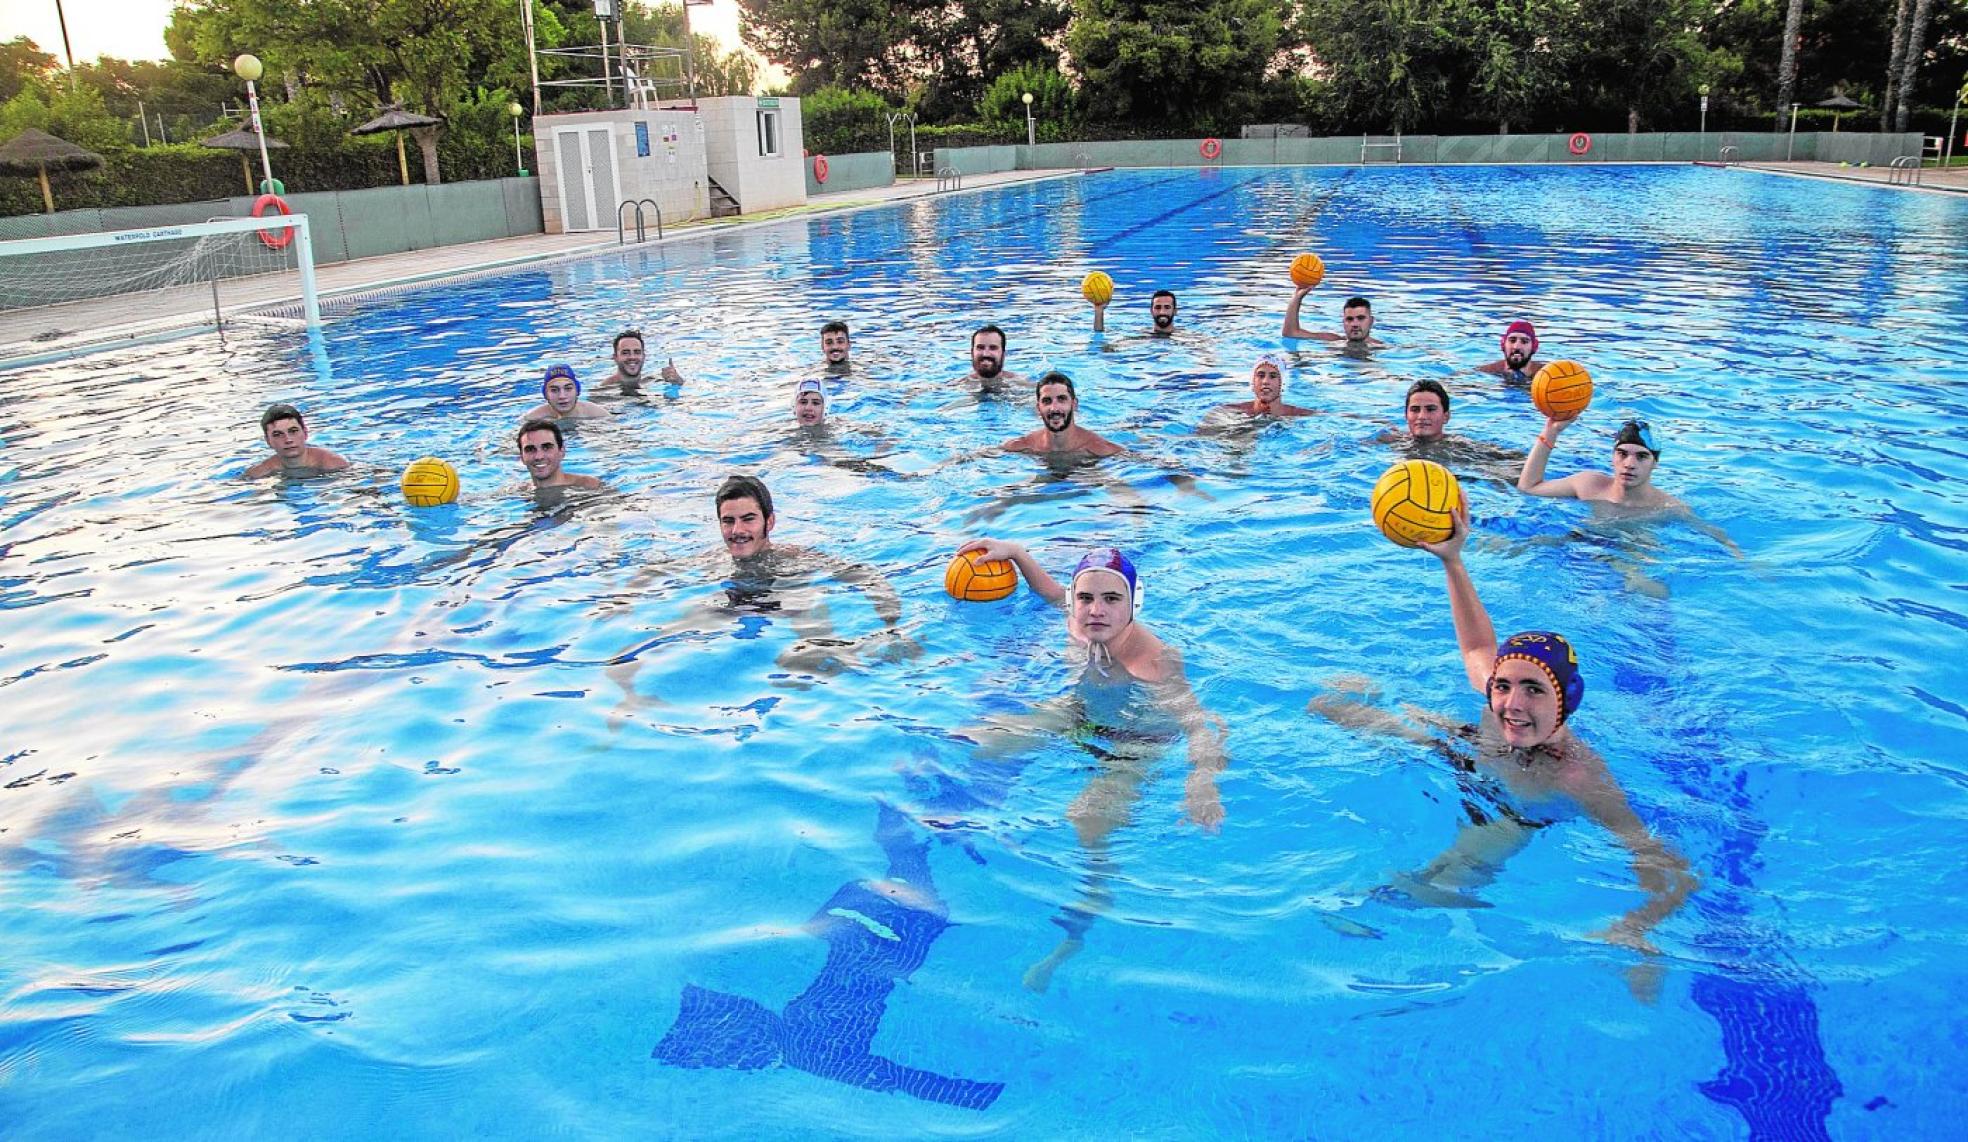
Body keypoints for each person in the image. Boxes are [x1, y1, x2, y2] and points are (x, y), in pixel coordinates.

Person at [1306, 507, 1697, 975]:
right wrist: (1452, 561)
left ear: (1566, 700)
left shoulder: (1577, 775)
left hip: (1516, 811)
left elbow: (1662, 860)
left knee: (1445, 879)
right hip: (1469, 754)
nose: (1512, 703)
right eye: (1504, 685)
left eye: (1534, 690)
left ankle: (1362, 941)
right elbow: (1475, 647)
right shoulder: (1498, 708)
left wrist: (1638, 924)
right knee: (1328, 707)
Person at [952, 539, 1228, 991]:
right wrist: (1017, 555)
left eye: (1111, 599)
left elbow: (1203, 724)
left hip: (1133, 742)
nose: (1096, 610)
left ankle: (1072, 938)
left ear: (1133, 606)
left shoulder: (1154, 661)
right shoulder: (1082, 624)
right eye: (1086, 598)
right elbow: (1050, 593)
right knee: (983, 742)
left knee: (1088, 823)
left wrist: (1201, 784)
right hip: (1081, 713)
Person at [1002, 372, 1124, 459]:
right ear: (1038, 409)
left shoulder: (1099, 449)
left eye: (1061, 399)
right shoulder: (1023, 446)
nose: (1054, 408)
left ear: (1074, 404)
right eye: (1047, 401)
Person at [243, 403, 350, 478]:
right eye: (278, 434)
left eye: (293, 431)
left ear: (305, 433)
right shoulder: (260, 472)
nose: (288, 440)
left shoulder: (333, 464)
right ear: (268, 441)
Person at [516, 419, 603, 491]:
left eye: (547, 447)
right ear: (522, 457)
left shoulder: (589, 486)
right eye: (530, 449)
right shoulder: (517, 493)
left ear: (562, 451)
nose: (539, 456)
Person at [1217, 355, 1314, 418]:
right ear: (1253, 382)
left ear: (1282, 384)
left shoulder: (1303, 416)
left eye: (1273, 376)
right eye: (1261, 375)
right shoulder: (1227, 412)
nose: (1266, 381)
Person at [1284, 291, 1385, 349]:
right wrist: (1298, 296)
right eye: (1349, 319)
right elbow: (1290, 333)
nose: (1355, 324)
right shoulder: (1332, 340)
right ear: (1343, 322)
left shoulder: (1381, 348)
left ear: (1371, 321)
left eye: (1361, 318)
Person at [602, 329, 682, 395]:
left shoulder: (653, 380)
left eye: (637, 352)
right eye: (625, 353)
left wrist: (677, 383)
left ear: (643, 357)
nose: (632, 357)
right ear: (615, 358)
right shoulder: (604, 390)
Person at [521, 364, 612, 422]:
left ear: (577, 391)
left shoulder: (596, 414)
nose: (562, 396)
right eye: (554, 390)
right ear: (546, 394)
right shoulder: (533, 419)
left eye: (568, 389)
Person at [1477, 320, 1544, 384]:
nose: (1516, 347)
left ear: (1534, 347)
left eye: (1524, 341)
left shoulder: (1545, 374)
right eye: (1512, 340)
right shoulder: (1486, 372)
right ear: (1503, 344)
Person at [963, 324, 1023, 394]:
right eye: (980, 347)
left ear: (1003, 354)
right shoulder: (957, 387)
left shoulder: (1021, 385)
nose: (986, 354)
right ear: (972, 353)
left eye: (993, 348)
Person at [1091, 288, 1178, 336]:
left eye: (1167, 307)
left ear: (1174, 311)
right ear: (1151, 311)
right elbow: (1101, 340)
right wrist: (1099, 311)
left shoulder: (1185, 338)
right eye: (1158, 307)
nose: (1162, 311)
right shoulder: (1141, 337)